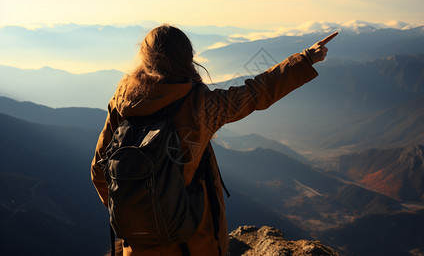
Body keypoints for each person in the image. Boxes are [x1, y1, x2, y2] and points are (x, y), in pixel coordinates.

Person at [91, 24, 338, 256]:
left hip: (138, 246)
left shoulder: (122, 101)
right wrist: (305, 59)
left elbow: (99, 169)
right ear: (187, 58)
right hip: (192, 244)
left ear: (145, 59)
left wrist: (137, 211)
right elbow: (256, 92)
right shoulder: (201, 105)